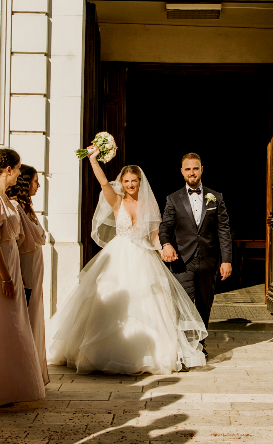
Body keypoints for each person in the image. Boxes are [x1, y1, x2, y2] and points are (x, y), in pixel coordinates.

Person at [48, 145, 207, 374]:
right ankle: (103, 354)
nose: (130, 185)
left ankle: (146, 355)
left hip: (143, 257)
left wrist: (163, 248)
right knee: (110, 301)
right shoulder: (116, 201)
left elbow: (153, 235)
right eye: (126, 181)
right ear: (121, 183)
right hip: (118, 256)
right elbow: (103, 183)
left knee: (148, 304)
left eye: (134, 181)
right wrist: (93, 159)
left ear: (140, 182)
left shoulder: (149, 205)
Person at [0, 148, 46, 407]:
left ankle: (8, 384)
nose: (19, 174)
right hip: (3, 269)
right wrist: (7, 276)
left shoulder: (5, 200)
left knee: (15, 324)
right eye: (18, 169)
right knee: (3, 322)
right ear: (8, 170)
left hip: (13, 265)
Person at [158, 153, 233, 329]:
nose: (192, 172)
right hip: (182, 261)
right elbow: (165, 227)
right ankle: (183, 346)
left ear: (202, 170)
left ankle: (200, 345)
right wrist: (166, 244)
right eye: (188, 169)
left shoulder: (217, 197)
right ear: (182, 172)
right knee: (181, 306)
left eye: (195, 168)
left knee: (204, 306)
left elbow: (224, 230)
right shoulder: (173, 199)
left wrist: (227, 260)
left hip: (208, 261)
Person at [11, 164, 49, 377]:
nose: (38, 185)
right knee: (27, 316)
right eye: (35, 181)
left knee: (35, 315)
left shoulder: (27, 208)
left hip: (34, 270)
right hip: (25, 270)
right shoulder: (16, 207)